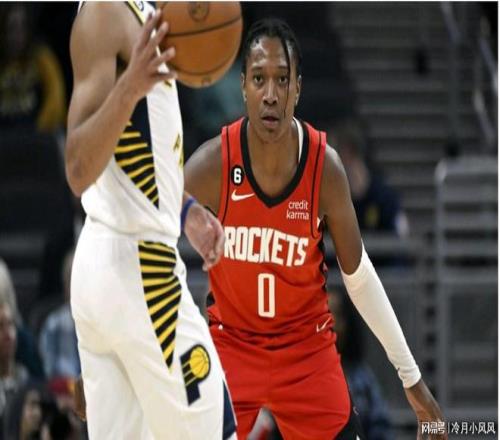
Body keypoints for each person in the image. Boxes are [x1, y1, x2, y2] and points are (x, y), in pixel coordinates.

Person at [185, 18, 446, 440]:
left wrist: (411, 377)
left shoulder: (325, 169)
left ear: (298, 89)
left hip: (306, 351)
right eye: (259, 79)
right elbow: (148, 230)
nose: (271, 94)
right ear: (244, 87)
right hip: (231, 347)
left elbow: (358, 277)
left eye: (282, 79)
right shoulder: (213, 164)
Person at [65, 3, 235, 439]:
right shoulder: (104, 13)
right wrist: (129, 88)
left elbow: (137, 151)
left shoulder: (145, 12)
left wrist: (185, 210)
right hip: (138, 268)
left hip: (116, 269)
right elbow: (79, 169)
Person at [328, 289, 393, 440]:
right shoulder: (300, 377)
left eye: (337, 315)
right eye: (326, 314)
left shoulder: (362, 380)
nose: (331, 323)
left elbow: (381, 429)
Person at [0, 3, 66, 134]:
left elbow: (56, 100)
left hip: (37, 135)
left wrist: (38, 131)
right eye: (11, 28)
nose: (16, 36)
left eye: (21, 28)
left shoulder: (41, 58)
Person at [39, 250, 80, 380]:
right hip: (63, 390)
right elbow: (48, 372)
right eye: (71, 280)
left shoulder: (101, 324)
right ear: (65, 285)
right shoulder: (53, 325)